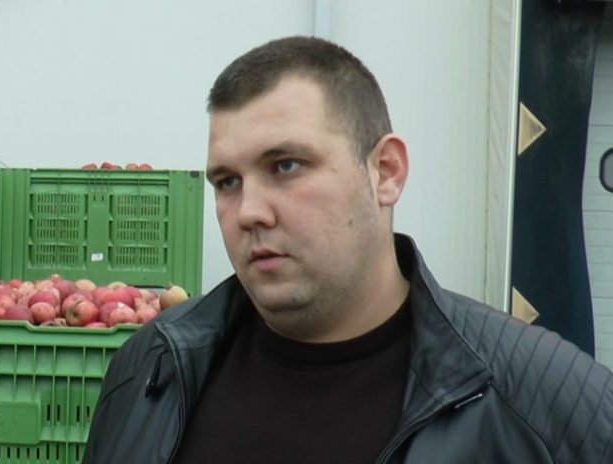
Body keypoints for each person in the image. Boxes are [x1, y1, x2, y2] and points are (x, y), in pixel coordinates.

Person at [83, 36, 613, 463]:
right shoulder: (150, 372)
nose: (248, 212)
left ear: (386, 172)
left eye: (286, 166)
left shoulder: (552, 406)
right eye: (227, 181)